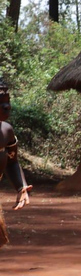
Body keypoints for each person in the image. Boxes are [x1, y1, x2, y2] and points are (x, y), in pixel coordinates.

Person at [0, 78, 31, 247]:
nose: (6, 107)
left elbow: (12, 162)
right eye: (0, 102)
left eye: (7, 101)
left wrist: (21, 187)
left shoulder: (6, 130)